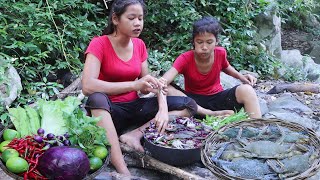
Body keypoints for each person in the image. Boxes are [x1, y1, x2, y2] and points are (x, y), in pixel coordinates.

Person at [81, 0, 197, 175]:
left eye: (140, 18)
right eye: (131, 18)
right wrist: (134, 85)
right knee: (96, 98)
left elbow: (147, 82)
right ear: (115, 19)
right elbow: (88, 86)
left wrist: (162, 108)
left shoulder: (139, 45)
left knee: (188, 105)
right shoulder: (99, 44)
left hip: (134, 108)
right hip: (110, 112)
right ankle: (123, 171)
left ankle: (135, 135)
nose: (138, 23)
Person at [162, 16, 262, 119]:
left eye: (209, 42)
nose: (204, 47)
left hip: (218, 100)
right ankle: (208, 114)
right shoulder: (185, 58)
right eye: (199, 42)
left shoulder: (220, 53)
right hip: (192, 103)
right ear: (193, 42)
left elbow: (226, 67)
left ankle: (256, 126)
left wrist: (242, 77)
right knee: (167, 88)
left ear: (216, 42)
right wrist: (159, 83)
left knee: (247, 90)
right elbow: (164, 80)